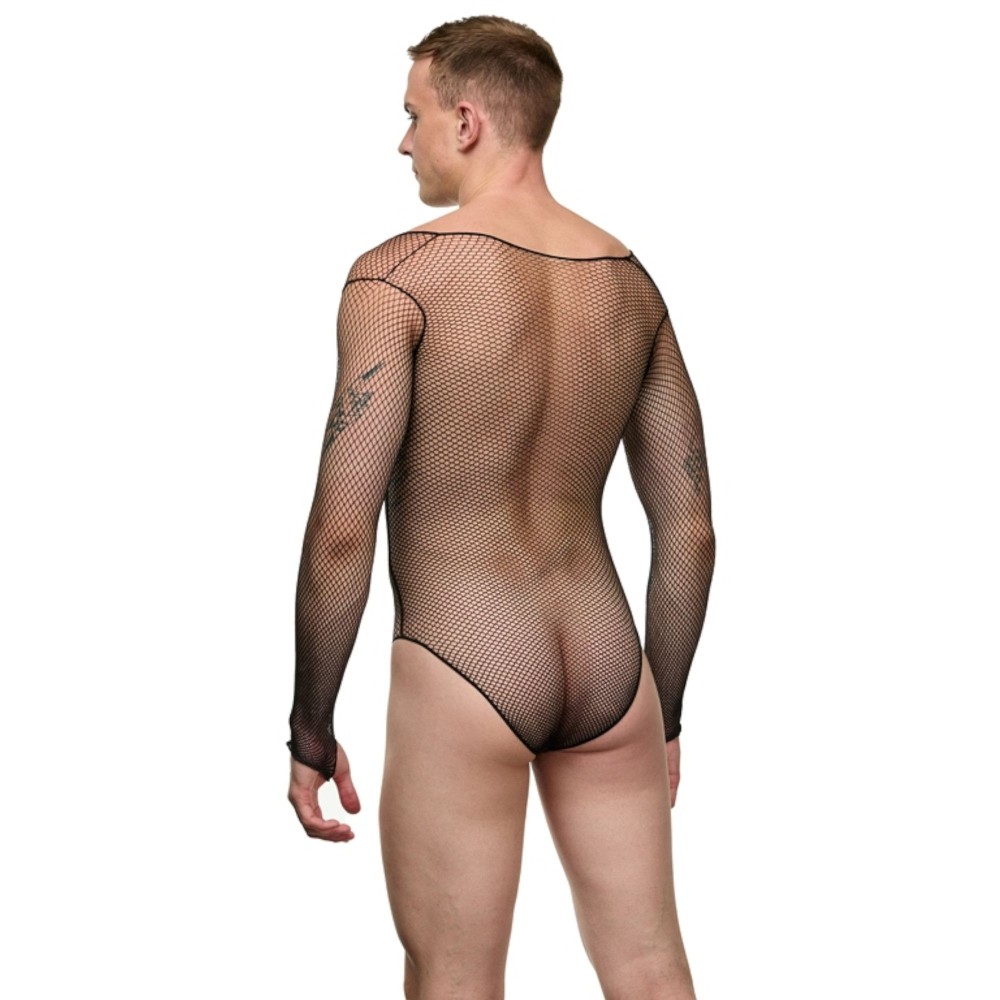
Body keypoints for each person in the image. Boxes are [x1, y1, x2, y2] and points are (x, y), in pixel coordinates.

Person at [286, 15, 715, 999]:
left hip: (462, 659)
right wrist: (663, 712)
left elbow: (343, 530)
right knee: (650, 967)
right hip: (610, 667)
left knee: (455, 976)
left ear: (468, 121)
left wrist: (311, 725)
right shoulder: (630, 286)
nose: (404, 142)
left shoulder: (397, 276)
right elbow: (689, 528)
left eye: (414, 116)